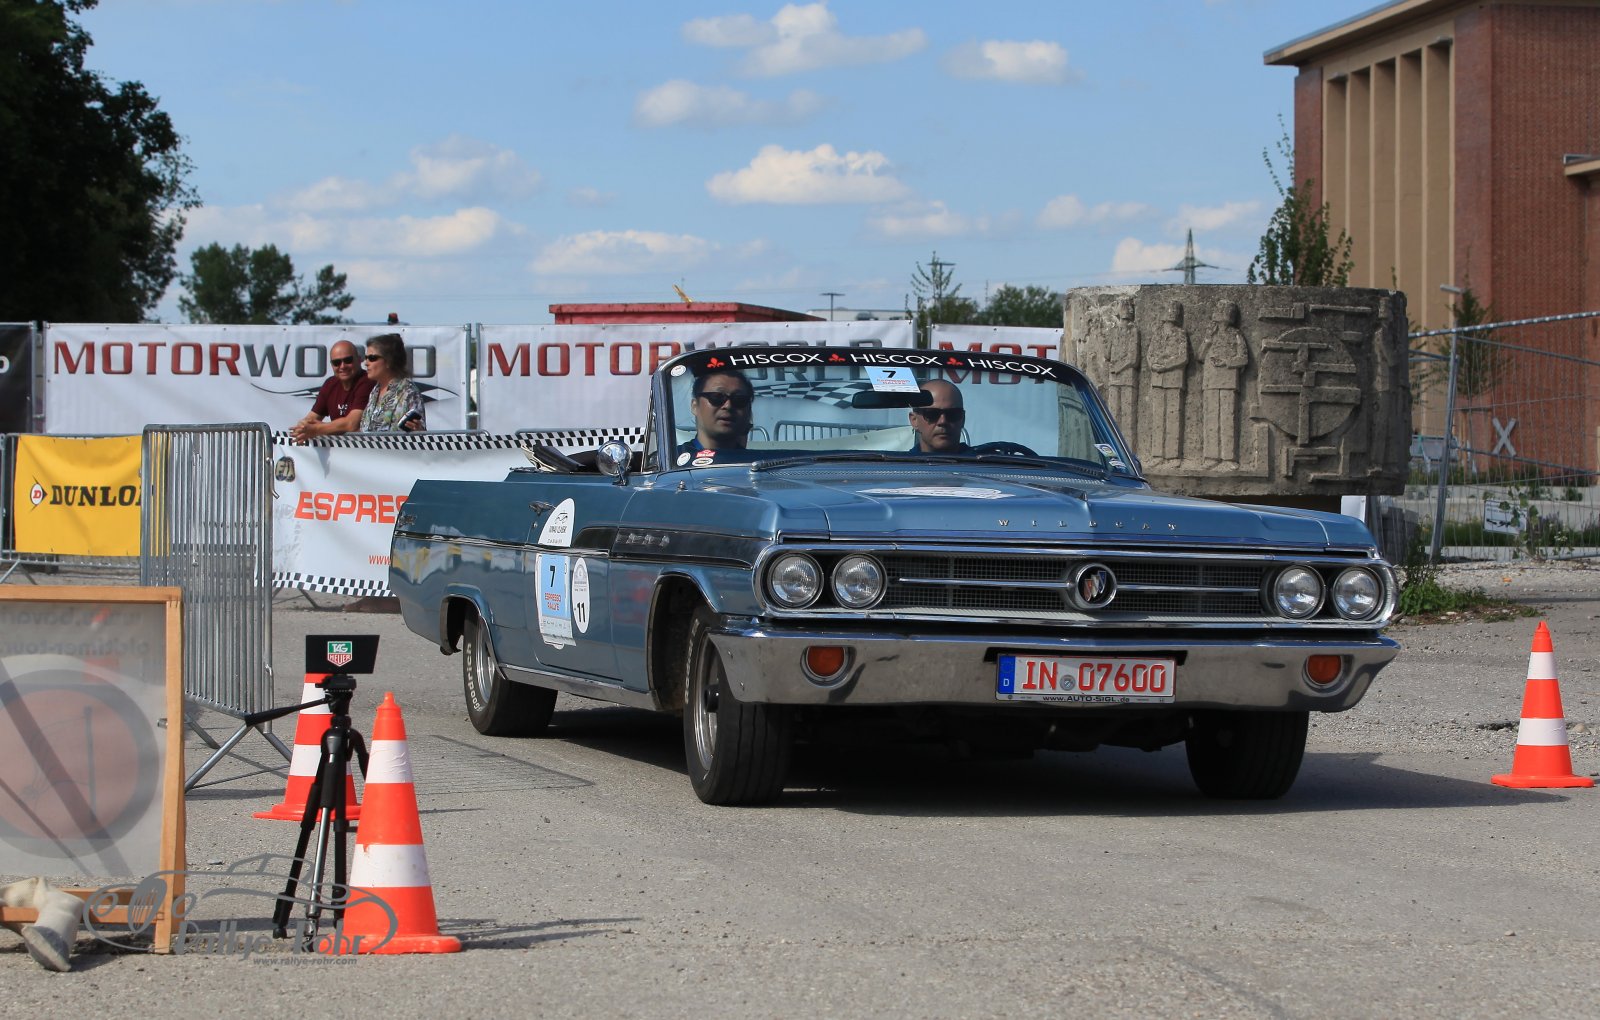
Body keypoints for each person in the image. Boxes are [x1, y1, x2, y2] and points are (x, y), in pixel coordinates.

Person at [289, 339, 373, 442]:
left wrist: (317, 429)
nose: (342, 366)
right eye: (336, 362)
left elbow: (351, 424)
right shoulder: (330, 384)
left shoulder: (367, 381)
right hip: (339, 446)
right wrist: (303, 428)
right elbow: (311, 419)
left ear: (359, 360)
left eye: (348, 360)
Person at [676, 368, 755, 461]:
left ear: (749, 410)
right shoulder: (669, 461)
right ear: (695, 406)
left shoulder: (759, 464)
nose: (728, 405)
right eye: (717, 397)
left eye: (739, 399)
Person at [358, 333, 426, 432]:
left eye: (372, 358)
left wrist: (418, 430)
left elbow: (419, 433)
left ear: (389, 361)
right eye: (366, 358)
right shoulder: (375, 391)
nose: (366, 363)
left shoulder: (408, 392)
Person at [908, 379, 969, 453]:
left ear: (963, 419)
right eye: (932, 414)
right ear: (914, 420)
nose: (943, 421)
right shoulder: (899, 460)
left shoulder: (979, 459)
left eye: (952, 414)